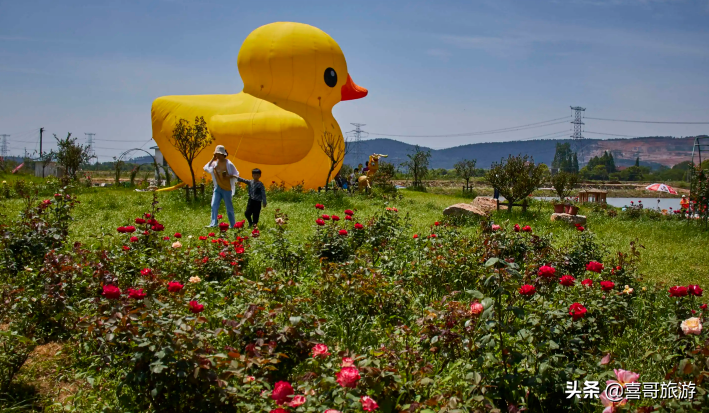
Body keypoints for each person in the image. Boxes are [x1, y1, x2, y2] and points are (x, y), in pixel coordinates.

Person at [203, 145, 238, 228]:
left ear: (224, 154)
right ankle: (213, 223)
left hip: (227, 188)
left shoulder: (229, 164)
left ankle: (233, 225)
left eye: (219, 154)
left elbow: (236, 174)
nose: (218, 156)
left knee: (229, 207)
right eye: (216, 154)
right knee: (214, 205)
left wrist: (230, 176)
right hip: (218, 188)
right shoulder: (215, 164)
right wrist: (212, 159)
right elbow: (206, 168)